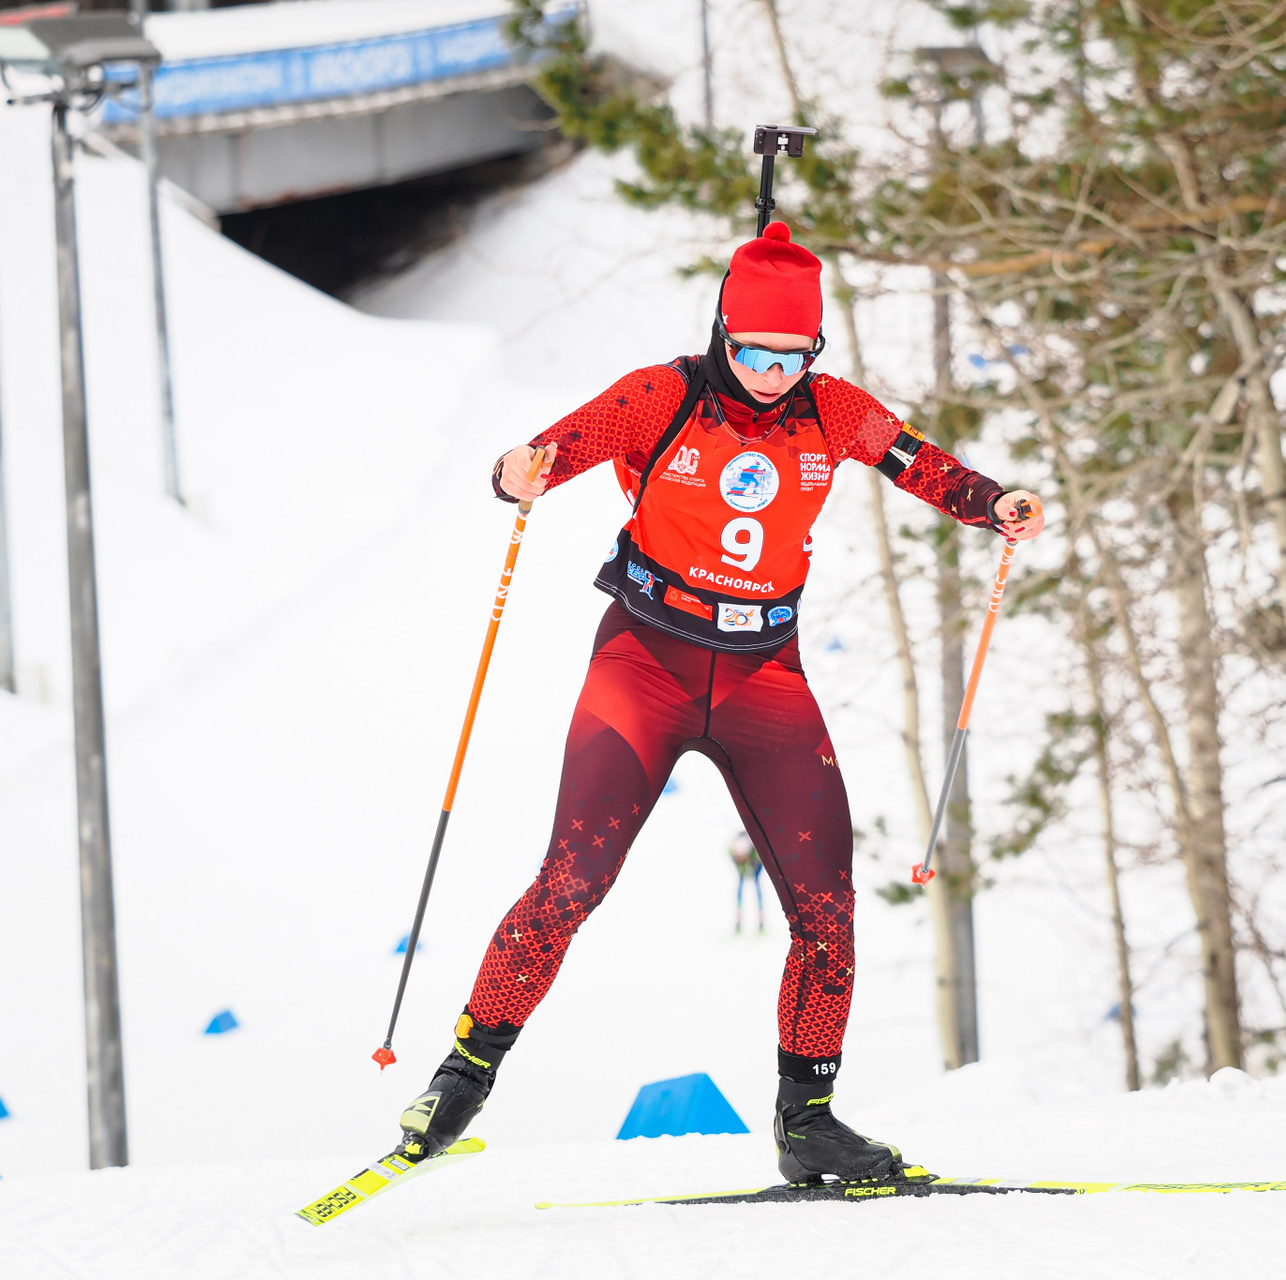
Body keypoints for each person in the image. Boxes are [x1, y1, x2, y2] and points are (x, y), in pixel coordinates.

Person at [392, 221, 1045, 1186]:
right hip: (644, 663)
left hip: (762, 676)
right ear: (721, 334)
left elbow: (919, 463)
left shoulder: (836, 411)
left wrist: (993, 503)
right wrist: (515, 471)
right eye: (754, 354)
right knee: (572, 880)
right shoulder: (661, 396)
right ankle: (461, 1079)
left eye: (794, 355)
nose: (774, 375)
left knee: (827, 910)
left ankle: (807, 1122)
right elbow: (553, 451)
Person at [730, 829, 765, 934]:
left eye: (742, 856)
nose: (741, 857)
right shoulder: (732, 851)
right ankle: (738, 924)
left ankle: (761, 923)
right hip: (743, 865)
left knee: (757, 887)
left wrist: (753, 864)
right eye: (738, 856)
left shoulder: (756, 853)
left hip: (756, 863)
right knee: (739, 890)